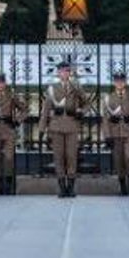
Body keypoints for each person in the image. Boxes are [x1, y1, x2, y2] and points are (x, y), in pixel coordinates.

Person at [39, 60, 90, 198]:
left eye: (67, 71)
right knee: (58, 157)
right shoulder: (52, 88)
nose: (64, 73)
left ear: (70, 72)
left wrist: (81, 112)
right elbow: (46, 110)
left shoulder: (76, 86)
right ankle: (62, 188)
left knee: (72, 156)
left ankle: (71, 187)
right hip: (56, 126)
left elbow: (87, 104)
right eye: (61, 71)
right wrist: (41, 129)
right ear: (58, 72)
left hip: (72, 125)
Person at [102, 71, 129, 195]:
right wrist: (107, 136)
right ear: (114, 82)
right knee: (118, 159)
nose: (119, 83)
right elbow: (105, 118)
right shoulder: (109, 97)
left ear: (125, 82)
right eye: (117, 80)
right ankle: (123, 186)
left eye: (121, 80)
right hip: (115, 132)